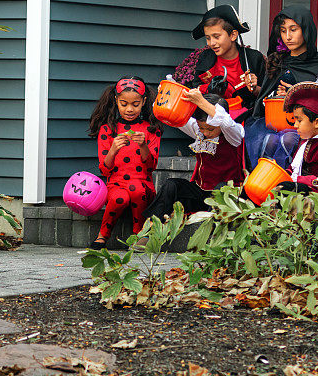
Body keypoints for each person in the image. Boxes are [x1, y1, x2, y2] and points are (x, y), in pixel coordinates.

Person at [245, 5, 318, 170]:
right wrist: (257, 90)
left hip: (307, 125)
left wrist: (295, 94)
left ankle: (286, 184)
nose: (287, 36)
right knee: (267, 140)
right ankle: (263, 185)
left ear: (306, 30)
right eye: (283, 31)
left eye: (293, 30)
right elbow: (267, 96)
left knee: (287, 139)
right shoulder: (277, 61)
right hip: (276, 122)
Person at [143, 89, 245, 220]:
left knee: (221, 189)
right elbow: (174, 116)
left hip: (227, 197)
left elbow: (226, 121)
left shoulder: (234, 135)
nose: (206, 133)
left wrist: (201, 101)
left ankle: (208, 232)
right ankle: (150, 229)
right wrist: (168, 94)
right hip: (201, 192)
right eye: (202, 127)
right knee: (171, 185)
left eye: (210, 129)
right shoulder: (198, 130)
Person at [87, 77, 162, 249]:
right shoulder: (107, 129)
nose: (129, 109)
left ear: (143, 101)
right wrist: (113, 149)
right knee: (119, 198)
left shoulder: (151, 129)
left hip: (143, 186)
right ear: (116, 101)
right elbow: (105, 170)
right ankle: (102, 236)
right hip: (117, 184)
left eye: (135, 104)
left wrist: (143, 145)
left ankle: (139, 235)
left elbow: (151, 167)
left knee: (135, 188)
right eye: (124, 104)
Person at [189, 5, 267, 120]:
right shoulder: (205, 58)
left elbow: (267, 95)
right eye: (208, 38)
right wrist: (209, 88)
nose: (212, 43)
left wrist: (254, 88)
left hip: (246, 120)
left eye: (216, 36)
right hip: (210, 118)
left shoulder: (254, 59)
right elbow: (196, 87)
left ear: (233, 35)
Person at [274, 80, 318, 194]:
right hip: (303, 189)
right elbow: (294, 169)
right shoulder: (305, 141)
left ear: (317, 122)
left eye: (299, 120)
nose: (295, 125)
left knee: (285, 188)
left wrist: (301, 180)